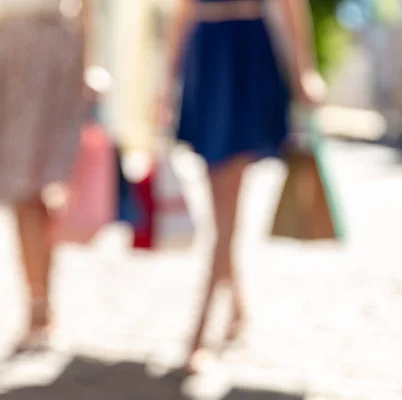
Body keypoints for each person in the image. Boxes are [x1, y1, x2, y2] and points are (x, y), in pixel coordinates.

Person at [160, 0, 326, 373]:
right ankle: (238, 311)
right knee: (220, 211)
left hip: (247, 56)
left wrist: (304, 71)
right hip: (206, 56)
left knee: (226, 210)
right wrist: (166, 81)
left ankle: (200, 333)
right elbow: (182, 10)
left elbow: (290, 5)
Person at [0, 0, 92, 352]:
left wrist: (87, 64)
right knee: (22, 192)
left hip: (53, 57)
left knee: (44, 188)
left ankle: (41, 301)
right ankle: (38, 303)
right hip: (8, 59)